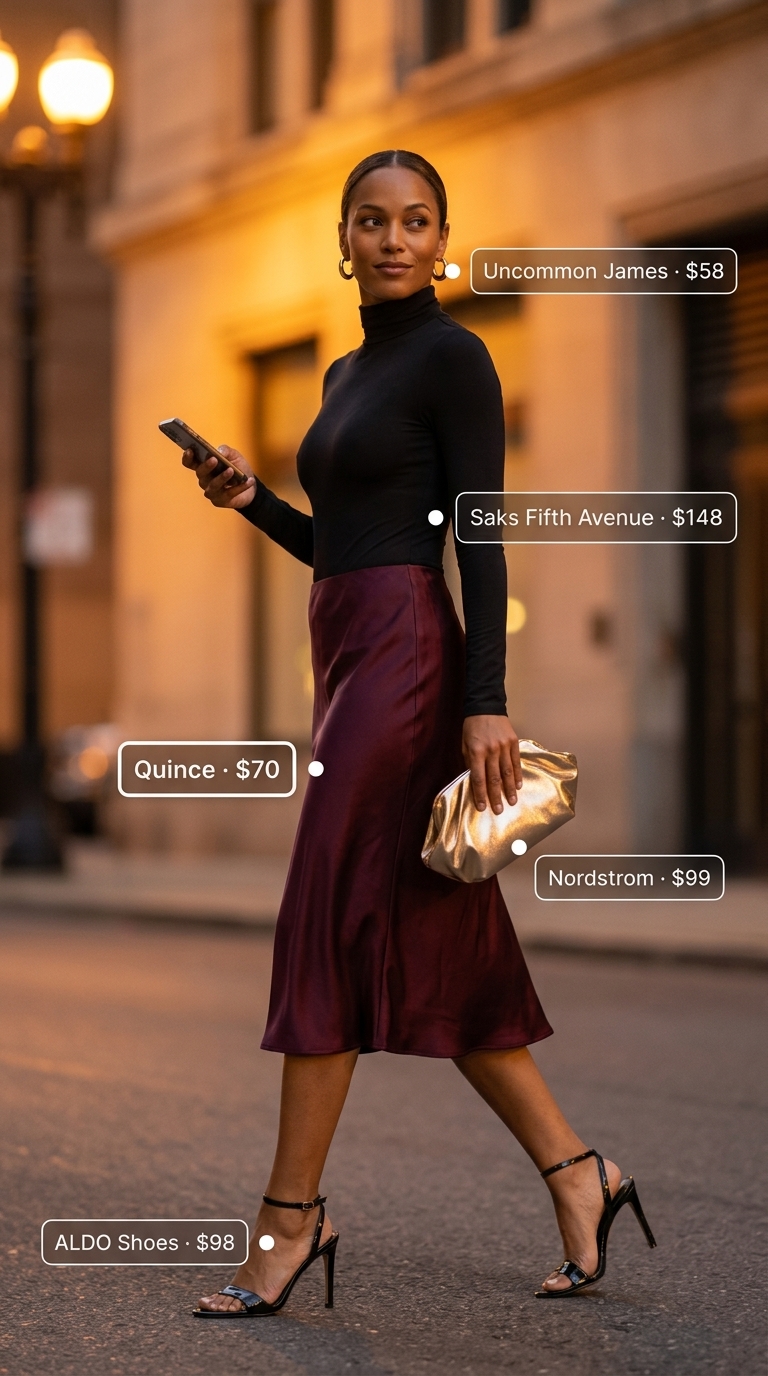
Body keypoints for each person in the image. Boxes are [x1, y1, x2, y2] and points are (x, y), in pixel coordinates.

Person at [190, 150, 656, 1317]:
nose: (393, 238)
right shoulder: (348, 366)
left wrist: (482, 694)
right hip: (345, 645)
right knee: (436, 928)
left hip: (405, 664)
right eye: (372, 220)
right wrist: (253, 502)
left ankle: (291, 1219)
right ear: (340, 237)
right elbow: (347, 541)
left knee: (322, 917)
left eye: (416, 221)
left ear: (441, 238)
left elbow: (477, 535)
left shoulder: (456, 357)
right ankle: (579, 1170)